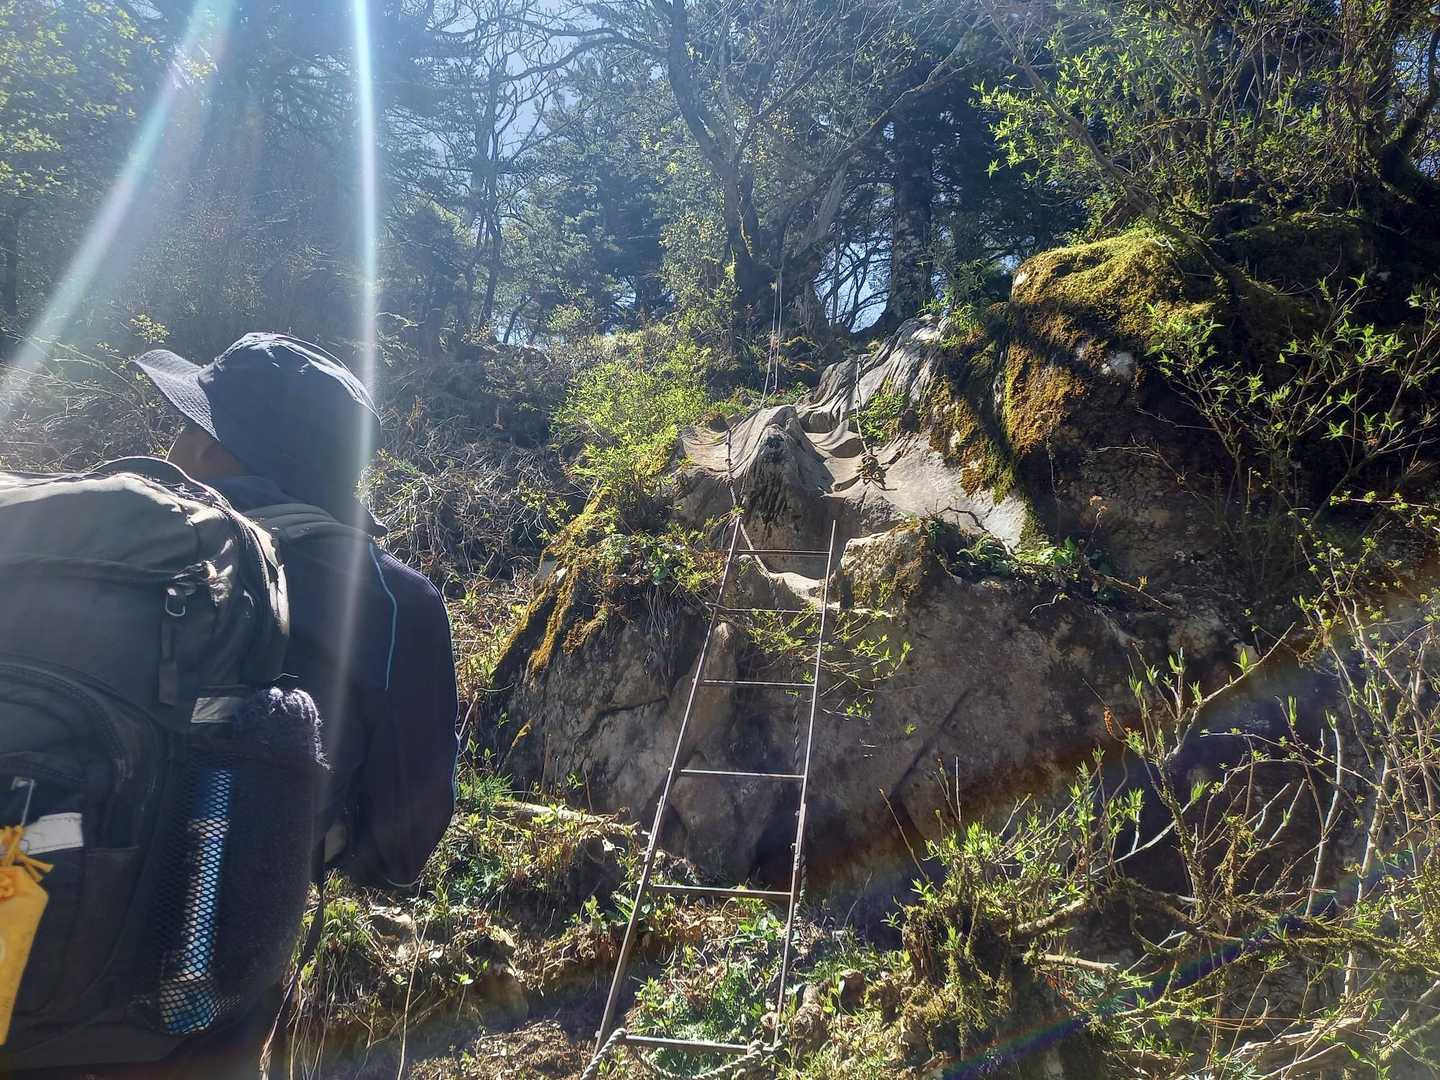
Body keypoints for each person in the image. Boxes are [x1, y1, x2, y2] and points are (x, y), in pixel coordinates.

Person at [63, 332, 459, 1078]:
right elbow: (406, 840)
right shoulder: (394, 601)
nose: (174, 444)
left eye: (188, 425)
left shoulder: (89, 533)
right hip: (199, 992)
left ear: (219, 450)